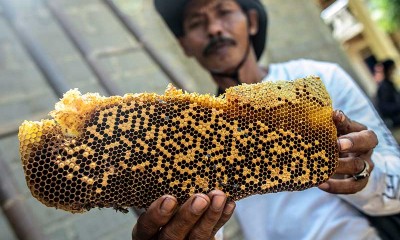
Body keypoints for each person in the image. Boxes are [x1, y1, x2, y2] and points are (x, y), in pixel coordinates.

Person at [132, 0, 400, 239]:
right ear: (185, 45)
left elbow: (396, 189)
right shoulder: (193, 133)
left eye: (224, 11)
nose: (214, 29)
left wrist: (365, 172)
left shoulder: (319, 77)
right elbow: (208, 227)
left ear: (252, 22)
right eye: (196, 23)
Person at [376, 59, 400, 128]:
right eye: (392, 69)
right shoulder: (384, 87)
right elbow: (384, 107)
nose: (394, 71)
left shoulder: (389, 84)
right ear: (388, 70)